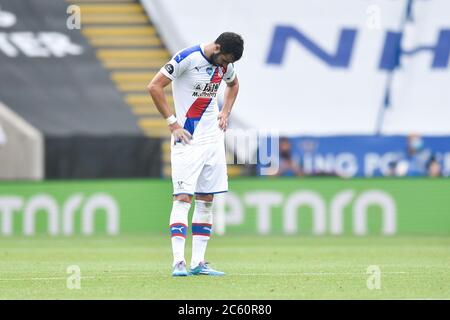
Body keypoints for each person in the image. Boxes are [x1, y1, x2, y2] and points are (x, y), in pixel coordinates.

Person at [148, 32, 243, 276]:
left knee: (206, 200)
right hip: (187, 138)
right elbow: (154, 86)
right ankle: (178, 262)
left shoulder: (224, 65)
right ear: (217, 47)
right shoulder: (187, 58)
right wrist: (172, 123)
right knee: (182, 198)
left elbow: (233, 84)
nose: (225, 66)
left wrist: (226, 112)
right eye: (224, 60)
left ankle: (198, 263)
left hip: (213, 139)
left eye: (228, 63)